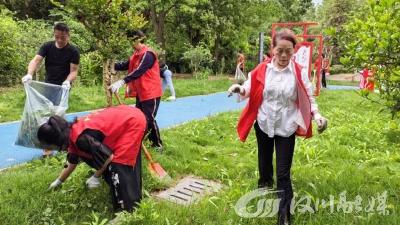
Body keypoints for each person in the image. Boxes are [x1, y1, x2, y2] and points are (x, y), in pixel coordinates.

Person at [228, 29, 328, 225]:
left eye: (288, 51)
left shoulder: (298, 72)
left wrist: (317, 115)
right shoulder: (262, 69)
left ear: (293, 51)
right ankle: (265, 184)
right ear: (272, 49)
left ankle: (284, 216)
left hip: (286, 126)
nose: (283, 56)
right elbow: (248, 88)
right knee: (264, 161)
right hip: (264, 123)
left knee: (283, 172)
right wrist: (239, 88)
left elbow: (308, 96)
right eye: (279, 50)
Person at [37, 105, 147, 212]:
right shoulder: (71, 133)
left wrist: (95, 177)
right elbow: (72, 161)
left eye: (51, 146)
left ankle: (128, 209)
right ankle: (131, 193)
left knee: (119, 165)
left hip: (132, 122)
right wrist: (58, 181)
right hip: (126, 116)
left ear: (56, 140)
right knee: (115, 166)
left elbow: (108, 157)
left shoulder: (81, 139)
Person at [21, 22, 80, 158]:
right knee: (47, 116)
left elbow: (74, 71)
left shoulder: (73, 51)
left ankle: (61, 144)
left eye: (63, 37)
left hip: (62, 88)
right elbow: (36, 60)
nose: (59, 40)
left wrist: (67, 81)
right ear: (54, 35)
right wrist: (29, 74)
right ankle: (49, 147)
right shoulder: (47, 46)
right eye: (57, 37)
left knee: (57, 117)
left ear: (68, 36)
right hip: (48, 85)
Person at [109, 30, 163, 151]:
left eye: (130, 40)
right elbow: (124, 65)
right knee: (140, 119)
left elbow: (139, 71)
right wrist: (110, 64)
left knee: (149, 119)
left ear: (136, 40)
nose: (129, 43)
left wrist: (122, 82)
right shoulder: (136, 54)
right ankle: (142, 143)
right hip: (141, 93)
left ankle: (158, 145)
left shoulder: (148, 54)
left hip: (151, 93)